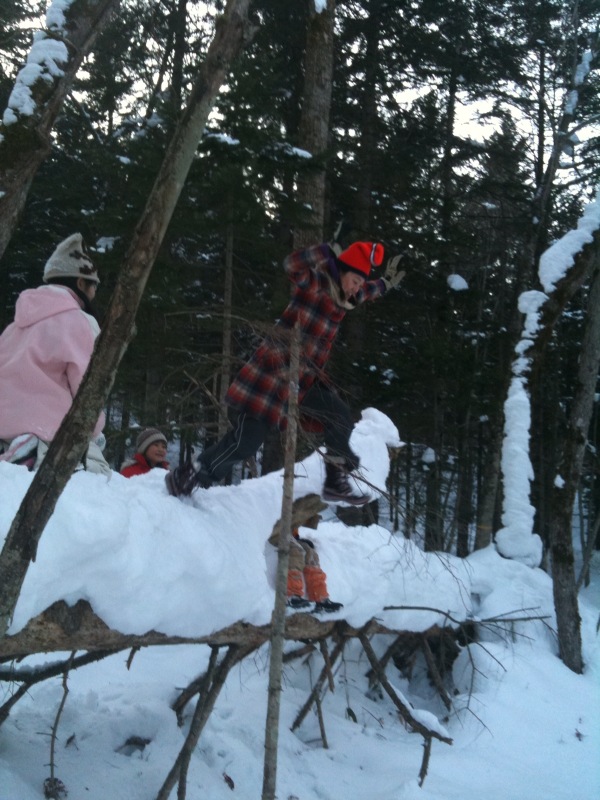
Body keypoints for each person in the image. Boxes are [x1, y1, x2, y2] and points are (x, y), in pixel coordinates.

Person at [166, 241, 404, 504]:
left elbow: (366, 291)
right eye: (355, 281)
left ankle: (335, 480)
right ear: (341, 271)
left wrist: (384, 284)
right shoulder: (317, 285)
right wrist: (323, 252)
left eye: (360, 284)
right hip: (269, 379)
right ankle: (189, 475)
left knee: (338, 415)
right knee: (246, 443)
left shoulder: (344, 298)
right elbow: (292, 265)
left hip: (302, 383)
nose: (357, 288)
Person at [0, 233, 110, 476]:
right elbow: (88, 388)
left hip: (3, 424)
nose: (95, 292)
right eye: (94, 285)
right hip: (48, 428)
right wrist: (95, 430)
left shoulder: (14, 326)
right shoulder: (80, 322)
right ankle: (33, 450)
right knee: (98, 474)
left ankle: (16, 449)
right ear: (81, 283)